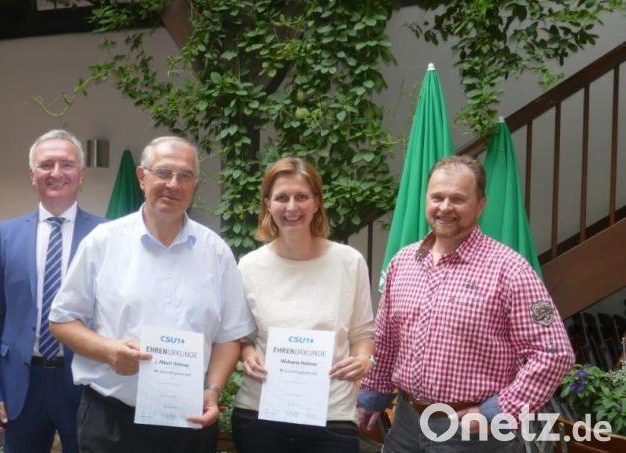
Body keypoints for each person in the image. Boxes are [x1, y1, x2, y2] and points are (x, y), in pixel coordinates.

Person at [49, 136, 255, 453]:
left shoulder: (216, 252)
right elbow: (62, 321)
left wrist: (213, 389)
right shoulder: (103, 242)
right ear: (142, 177)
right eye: (163, 172)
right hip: (112, 420)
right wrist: (108, 351)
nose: (173, 184)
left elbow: (230, 335)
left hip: (188, 422)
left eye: (184, 175)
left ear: (194, 186)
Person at [357, 155, 574, 452]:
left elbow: (554, 353)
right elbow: (385, 339)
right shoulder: (403, 263)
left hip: (471, 433)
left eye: (458, 199)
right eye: (437, 197)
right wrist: (374, 391)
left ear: (480, 204)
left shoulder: (511, 271)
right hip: (405, 424)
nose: (445, 207)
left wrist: (498, 411)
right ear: (426, 200)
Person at [232, 157, 376, 453]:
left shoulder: (349, 262)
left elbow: (363, 336)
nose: (292, 207)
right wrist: (247, 355)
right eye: (282, 197)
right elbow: (242, 337)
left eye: (301, 197)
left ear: (316, 203)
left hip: (331, 417)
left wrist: (363, 361)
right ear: (268, 204)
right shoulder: (249, 266)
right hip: (260, 413)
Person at [0, 129, 105, 453]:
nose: (56, 173)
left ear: (81, 175)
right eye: (46, 165)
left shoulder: (107, 235)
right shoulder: (6, 234)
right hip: (22, 383)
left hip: (83, 380)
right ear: (33, 176)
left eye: (67, 164)